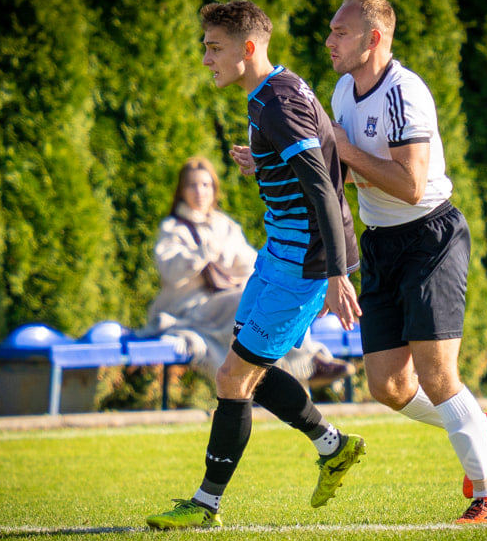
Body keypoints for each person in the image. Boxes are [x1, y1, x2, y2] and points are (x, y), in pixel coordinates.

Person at [146, 0, 364, 530]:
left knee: (232, 376)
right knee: (248, 372)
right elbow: (324, 150)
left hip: (304, 267)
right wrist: (261, 159)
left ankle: (204, 504)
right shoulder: (272, 93)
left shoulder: (277, 104)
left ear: (247, 49)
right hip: (277, 258)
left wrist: (336, 274)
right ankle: (332, 447)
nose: (205, 59)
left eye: (213, 48)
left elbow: (322, 186)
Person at [325, 0, 487, 523]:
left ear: (374, 38)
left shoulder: (406, 93)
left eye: (341, 33)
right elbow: (342, 170)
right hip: (381, 241)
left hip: (429, 236)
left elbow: (411, 185)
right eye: (332, 31)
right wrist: (272, 165)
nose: (330, 41)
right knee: (387, 385)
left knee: (437, 374)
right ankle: (479, 423)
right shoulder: (343, 90)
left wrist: (344, 151)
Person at [138, 156, 356, 388]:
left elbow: (251, 262)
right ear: (181, 190)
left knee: (276, 299)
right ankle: (305, 365)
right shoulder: (173, 228)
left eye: (205, 184)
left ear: (214, 189)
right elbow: (171, 272)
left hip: (230, 298)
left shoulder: (223, 224)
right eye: (192, 185)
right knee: (247, 305)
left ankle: (302, 363)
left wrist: (224, 255)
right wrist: (203, 253)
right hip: (191, 308)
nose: (200, 191)